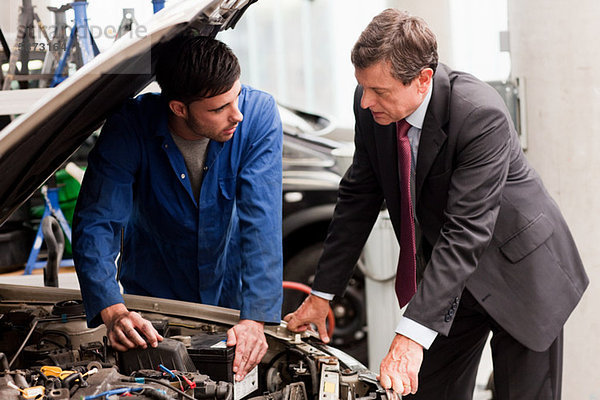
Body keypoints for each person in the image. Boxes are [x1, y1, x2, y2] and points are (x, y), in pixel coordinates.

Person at [284, 9, 588, 400]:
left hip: (521, 273)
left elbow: (466, 231)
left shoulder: (479, 114)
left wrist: (409, 337)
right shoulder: (371, 106)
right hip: (450, 281)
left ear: (423, 80)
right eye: (363, 87)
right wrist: (321, 294)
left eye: (380, 91)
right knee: (425, 391)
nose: (365, 102)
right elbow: (357, 197)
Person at [73, 34, 283, 381]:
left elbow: (261, 222)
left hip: (228, 293)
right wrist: (112, 309)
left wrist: (254, 318)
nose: (237, 115)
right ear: (178, 108)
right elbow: (98, 221)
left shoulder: (258, 116)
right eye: (219, 109)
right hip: (154, 300)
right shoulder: (131, 126)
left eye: (237, 96)